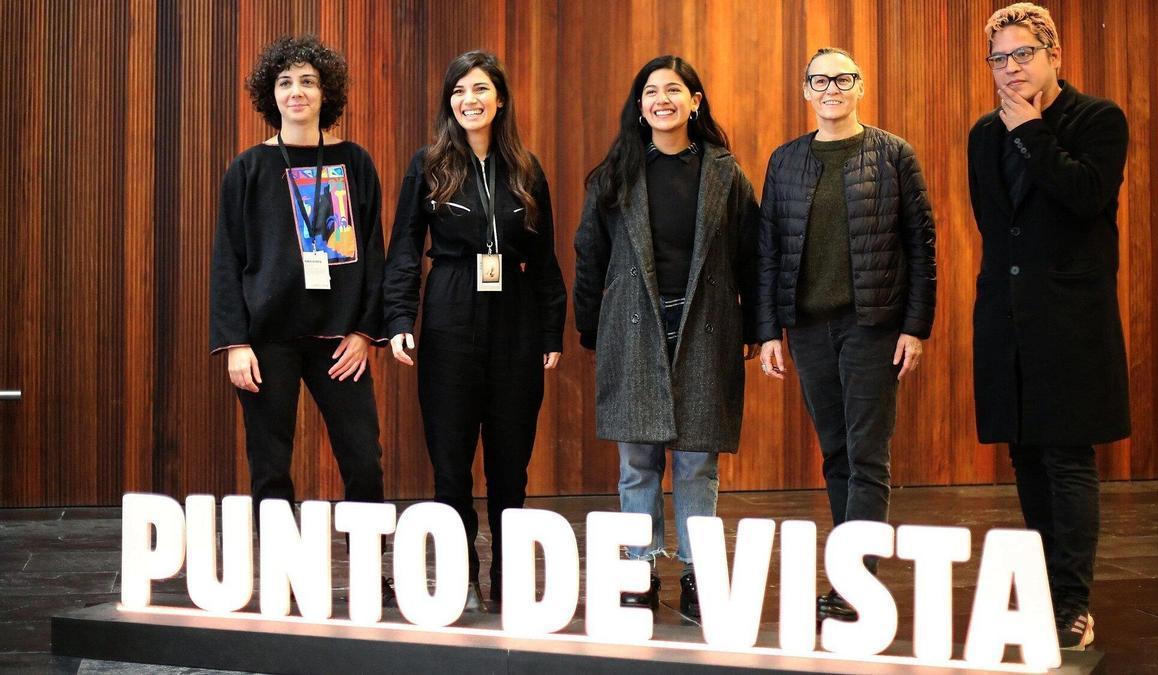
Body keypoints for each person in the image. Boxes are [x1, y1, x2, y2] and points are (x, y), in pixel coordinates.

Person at [574, 55, 760, 620]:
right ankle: (639, 569)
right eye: (650, 91)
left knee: (698, 462)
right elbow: (590, 256)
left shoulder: (725, 174)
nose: (662, 99)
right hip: (634, 329)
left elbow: (753, 257)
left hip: (706, 328)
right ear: (639, 106)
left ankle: (702, 577)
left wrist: (755, 328)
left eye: (674, 90)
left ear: (695, 102)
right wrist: (590, 329)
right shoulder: (615, 175)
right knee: (638, 462)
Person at [968, 3, 1130, 650]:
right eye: (999, 59)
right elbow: (997, 226)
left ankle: (1073, 603)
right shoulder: (984, 133)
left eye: (1022, 55)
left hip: (1071, 317)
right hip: (1006, 317)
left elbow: (1086, 197)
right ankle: (1041, 593)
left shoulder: (1097, 119)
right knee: (1026, 455)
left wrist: (1033, 130)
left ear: (1054, 55)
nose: (1011, 69)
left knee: (1067, 456)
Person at [756, 48, 936, 623]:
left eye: (843, 78)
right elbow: (767, 253)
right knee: (835, 452)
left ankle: (857, 586)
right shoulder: (784, 161)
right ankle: (848, 575)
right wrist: (767, 332)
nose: (831, 88)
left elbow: (921, 246)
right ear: (805, 90)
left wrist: (916, 326)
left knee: (867, 455)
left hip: (873, 327)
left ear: (860, 86)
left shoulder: (892, 155)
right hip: (807, 327)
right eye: (820, 80)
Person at [383, 50, 566, 611]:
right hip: (450, 308)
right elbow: (405, 248)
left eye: (481, 88)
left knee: (511, 463)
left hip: (515, 316)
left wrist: (551, 332)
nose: (470, 99)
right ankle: (459, 578)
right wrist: (398, 319)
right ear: (449, 101)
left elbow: (547, 258)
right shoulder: (429, 164)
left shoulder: (526, 168)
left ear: (500, 99)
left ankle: (508, 581)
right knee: (451, 460)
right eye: (459, 90)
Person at [209, 35, 391, 598]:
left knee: (363, 459)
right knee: (270, 466)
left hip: (341, 341)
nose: (296, 91)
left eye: (307, 81)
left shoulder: (353, 162)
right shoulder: (249, 168)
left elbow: (377, 255)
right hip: (268, 343)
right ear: (271, 94)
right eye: (285, 82)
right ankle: (284, 575)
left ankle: (371, 571)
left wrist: (365, 332)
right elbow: (228, 260)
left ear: (326, 92)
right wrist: (236, 342)